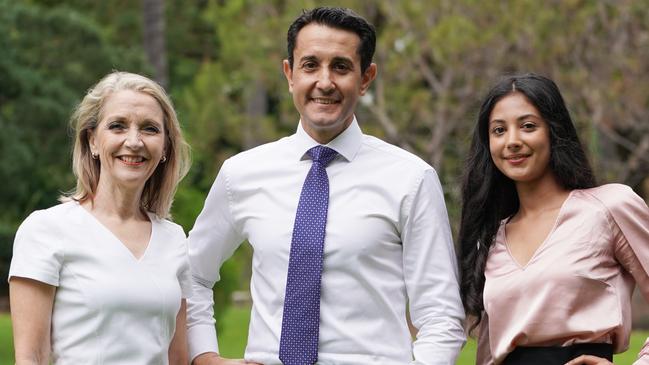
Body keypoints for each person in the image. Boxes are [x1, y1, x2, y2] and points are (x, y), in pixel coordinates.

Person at [186, 6, 465, 365]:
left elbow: (440, 314)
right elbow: (191, 275)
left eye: (341, 66)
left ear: (366, 78)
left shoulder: (410, 179)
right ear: (289, 74)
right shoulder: (241, 174)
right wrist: (205, 357)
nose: (325, 82)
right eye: (310, 65)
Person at [458, 73, 649, 365]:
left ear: (553, 130)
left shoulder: (609, 207)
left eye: (528, 126)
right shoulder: (492, 239)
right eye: (499, 130)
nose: (512, 141)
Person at [9, 71, 192, 364]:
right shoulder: (46, 230)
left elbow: (178, 358)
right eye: (118, 126)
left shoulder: (174, 239)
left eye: (149, 129)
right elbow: (31, 358)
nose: (134, 141)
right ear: (93, 140)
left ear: (166, 147)